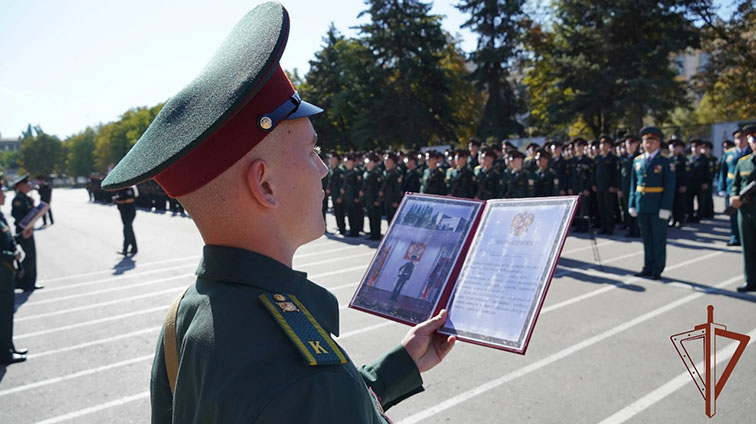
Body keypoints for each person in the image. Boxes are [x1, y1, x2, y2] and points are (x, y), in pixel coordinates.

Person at [102, 5, 455, 422]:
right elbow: (311, 397)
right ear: (264, 184)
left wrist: (400, 366)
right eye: (313, 152)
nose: (324, 169)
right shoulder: (305, 375)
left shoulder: (188, 313)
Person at [628, 127, 675, 280]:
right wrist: (632, 203)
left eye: (652, 141)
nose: (648, 144)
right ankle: (647, 267)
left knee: (658, 239)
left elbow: (669, 187)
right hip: (642, 205)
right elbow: (633, 185)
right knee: (646, 238)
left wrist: (666, 207)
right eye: (646, 141)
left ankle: (657, 268)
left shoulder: (665, 162)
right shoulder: (637, 160)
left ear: (658, 143)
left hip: (657, 206)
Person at [0, 186, 27, 364]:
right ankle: (4, 353)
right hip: (2, 271)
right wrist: (12, 255)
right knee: (3, 314)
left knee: (7, 313)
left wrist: (17, 241)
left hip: (6, 272)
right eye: (1, 192)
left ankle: (8, 347)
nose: (4, 194)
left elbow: (7, 238)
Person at [729, 124, 756, 292]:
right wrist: (733, 196)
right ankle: (750, 280)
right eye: (753, 139)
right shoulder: (743, 163)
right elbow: (735, 185)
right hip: (745, 212)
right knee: (748, 248)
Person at [719, 127, 752, 246]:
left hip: (747, 187)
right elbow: (722, 171)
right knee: (733, 213)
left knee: (746, 214)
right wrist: (721, 187)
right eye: (738, 138)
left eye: (743, 137)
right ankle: (734, 236)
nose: (741, 140)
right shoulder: (728, 153)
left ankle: (746, 237)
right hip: (731, 187)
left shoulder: (751, 152)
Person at [10, 174, 42, 292]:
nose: (29, 186)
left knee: (31, 257)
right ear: (20, 186)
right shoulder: (18, 199)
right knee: (29, 257)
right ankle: (23, 282)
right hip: (23, 230)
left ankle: (30, 282)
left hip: (28, 229)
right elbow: (17, 215)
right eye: (26, 184)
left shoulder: (26, 197)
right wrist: (26, 225)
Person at [593, 136, 619, 234]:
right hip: (599, 187)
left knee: (609, 209)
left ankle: (609, 227)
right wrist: (594, 184)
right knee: (601, 208)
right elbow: (595, 173)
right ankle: (603, 227)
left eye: (605, 144)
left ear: (609, 146)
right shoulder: (597, 158)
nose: (603, 146)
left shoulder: (613, 158)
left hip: (608, 187)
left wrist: (614, 185)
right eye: (601, 144)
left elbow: (615, 174)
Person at [361, 154, 383, 240]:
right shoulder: (367, 172)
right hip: (368, 199)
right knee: (370, 216)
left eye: (369, 162)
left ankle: (376, 233)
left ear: (373, 163)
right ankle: (373, 232)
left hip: (374, 199)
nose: (367, 164)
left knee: (376, 217)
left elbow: (379, 188)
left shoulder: (376, 173)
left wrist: (378, 199)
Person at [112, 185, 138, 256]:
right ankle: (134, 248)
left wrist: (119, 201)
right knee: (129, 229)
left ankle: (125, 249)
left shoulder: (129, 188)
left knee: (126, 230)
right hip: (123, 211)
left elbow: (131, 199)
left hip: (130, 212)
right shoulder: (118, 189)